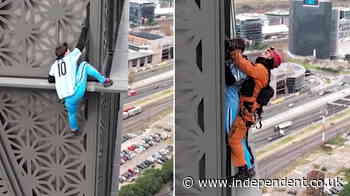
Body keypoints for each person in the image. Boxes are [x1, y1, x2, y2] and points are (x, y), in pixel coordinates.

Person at [48, 3, 113, 135]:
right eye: (68, 49)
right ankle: (103, 80)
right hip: (77, 92)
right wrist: (85, 29)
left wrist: (62, 80)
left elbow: (50, 79)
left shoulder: (54, 66)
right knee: (84, 65)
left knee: (71, 114)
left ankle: (74, 129)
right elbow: (81, 44)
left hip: (67, 99)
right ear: (66, 52)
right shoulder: (71, 57)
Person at [228, 39, 282, 180]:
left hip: (245, 113)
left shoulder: (260, 70)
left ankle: (243, 170)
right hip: (248, 113)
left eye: (269, 53)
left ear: (270, 60)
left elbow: (243, 66)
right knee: (240, 140)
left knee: (234, 140)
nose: (266, 52)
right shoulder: (263, 70)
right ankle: (247, 168)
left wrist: (235, 51)